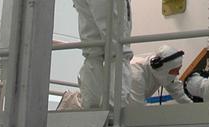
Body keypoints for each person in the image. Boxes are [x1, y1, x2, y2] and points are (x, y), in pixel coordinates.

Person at [57, 45, 186, 110]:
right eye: (175, 71)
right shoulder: (136, 74)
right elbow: (136, 110)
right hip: (92, 104)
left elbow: (178, 92)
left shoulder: (163, 70)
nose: (177, 74)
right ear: (163, 68)